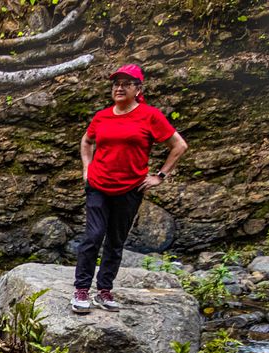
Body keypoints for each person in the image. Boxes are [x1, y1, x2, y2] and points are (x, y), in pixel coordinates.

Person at [72, 63, 189, 315]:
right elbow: (87, 140)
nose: (119, 88)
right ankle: (81, 290)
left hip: (129, 189)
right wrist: (87, 169)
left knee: (115, 240)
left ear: (139, 88)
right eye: (116, 83)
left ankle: (104, 290)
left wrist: (160, 176)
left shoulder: (150, 115)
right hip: (98, 185)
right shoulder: (102, 116)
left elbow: (179, 146)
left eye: (126, 83)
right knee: (94, 235)